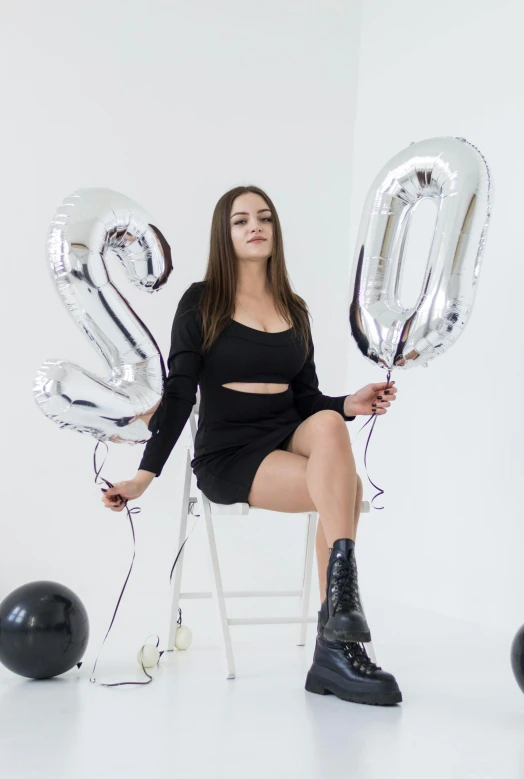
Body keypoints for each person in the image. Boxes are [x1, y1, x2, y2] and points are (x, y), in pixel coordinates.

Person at [101, 185, 401, 706]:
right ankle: (340, 638)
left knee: (331, 427)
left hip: (288, 431)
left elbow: (307, 399)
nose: (254, 226)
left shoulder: (294, 308)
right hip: (231, 452)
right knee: (346, 489)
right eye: (241, 221)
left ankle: (338, 620)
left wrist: (348, 403)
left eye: (263, 218)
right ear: (226, 233)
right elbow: (179, 395)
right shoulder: (201, 302)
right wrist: (143, 476)